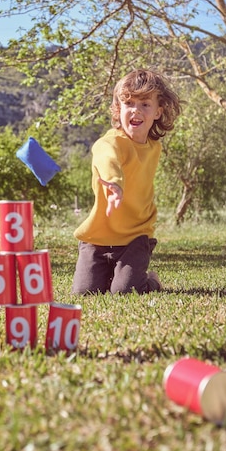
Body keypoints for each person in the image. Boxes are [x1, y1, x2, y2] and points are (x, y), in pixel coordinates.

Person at [72, 68, 181, 295]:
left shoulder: (154, 147)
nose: (136, 110)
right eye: (129, 103)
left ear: (158, 112)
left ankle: (151, 280)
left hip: (136, 236)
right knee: (85, 293)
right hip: (98, 239)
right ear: (118, 109)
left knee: (125, 291)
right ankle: (115, 272)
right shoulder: (110, 142)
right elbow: (106, 156)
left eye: (144, 104)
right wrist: (114, 184)